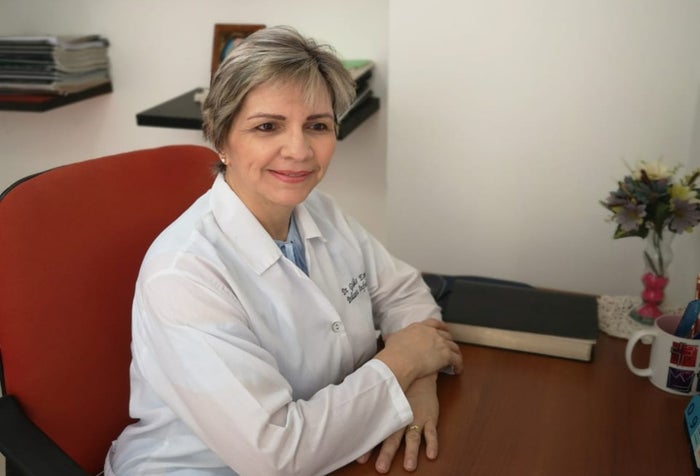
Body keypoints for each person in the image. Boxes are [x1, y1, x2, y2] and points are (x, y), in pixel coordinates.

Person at [105, 25, 463, 476]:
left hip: (337, 450)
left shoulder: (320, 211)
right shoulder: (183, 275)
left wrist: (420, 383)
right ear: (221, 139)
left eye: (317, 126)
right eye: (267, 126)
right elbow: (276, 455)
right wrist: (404, 362)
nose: (299, 150)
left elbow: (403, 292)